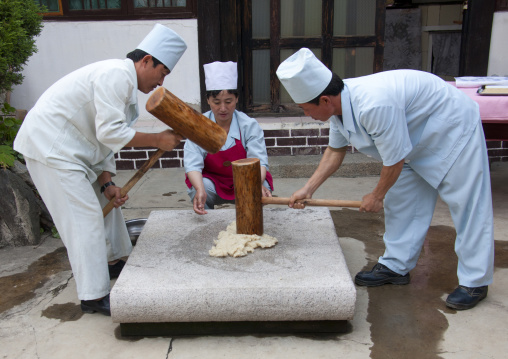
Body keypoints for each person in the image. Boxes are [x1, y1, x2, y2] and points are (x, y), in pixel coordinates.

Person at [276, 48, 494, 310]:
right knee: (402, 203)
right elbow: (335, 151)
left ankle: (475, 281)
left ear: (324, 100)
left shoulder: (373, 104)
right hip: (410, 141)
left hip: (449, 128)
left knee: (468, 204)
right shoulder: (338, 109)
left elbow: (394, 160)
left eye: (304, 109)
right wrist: (307, 189)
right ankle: (396, 266)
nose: (305, 115)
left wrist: (376, 195)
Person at [13, 24, 187, 316]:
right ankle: (93, 296)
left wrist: (107, 184)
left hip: (78, 151)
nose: (161, 82)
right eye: (162, 72)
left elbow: (105, 143)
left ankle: (113, 261)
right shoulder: (116, 75)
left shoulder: (126, 86)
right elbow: (111, 133)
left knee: (107, 206)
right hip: (52, 148)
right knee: (84, 219)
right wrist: (158, 139)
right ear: (146, 61)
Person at [184, 61, 274, 215]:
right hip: (212, 182)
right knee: (199, 187)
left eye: (228, 101)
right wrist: (199, 189)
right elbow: (192, 165)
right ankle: (205, 222)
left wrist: (255, 185)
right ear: (208, 100)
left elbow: (259, 161)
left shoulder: (248, 125)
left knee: (262, 187)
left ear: (236, 99)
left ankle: (249, 225)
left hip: (246, 179)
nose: (223, 108)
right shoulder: (198, 126)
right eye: (216, 102)